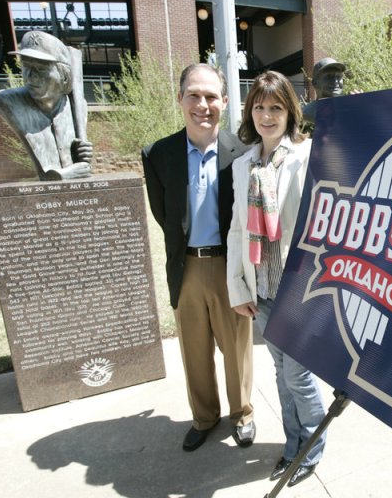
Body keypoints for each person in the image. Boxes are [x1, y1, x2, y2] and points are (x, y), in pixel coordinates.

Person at [141, 64, 255, 452]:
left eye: (211, 96)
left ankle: (243, 414)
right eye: (194, 94)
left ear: (225, 101)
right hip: (186, 266)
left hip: (230, 266)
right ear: (180, 99)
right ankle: (204, 417)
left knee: (237, 347)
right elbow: (164, 215)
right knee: (193, 348)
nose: (202, 104)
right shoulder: (157, 154)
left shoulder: (243, 153)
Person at [226, 71, 327, 487]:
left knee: (297, 376)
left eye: (276, 107)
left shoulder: (307, 157)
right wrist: (238, 287)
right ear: (251, 111)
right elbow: (236, 228)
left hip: (297, 288)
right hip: (262, 289)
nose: (267, 115)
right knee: (280, 372)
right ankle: (292, 447)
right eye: (260, 107)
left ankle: (312, 448)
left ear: (290, 111)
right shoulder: (242, 165)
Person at [0, 31, 93, 180]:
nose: (31, 76)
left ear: (64, 75)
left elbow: (83, 168)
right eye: (26, 67)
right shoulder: (6, 101)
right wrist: (62, 175)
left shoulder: (77, 106)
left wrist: (84, 153)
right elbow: (50, 176)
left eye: (41, 69)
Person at [302, 57, 351, 125]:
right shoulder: (306, 113)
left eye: (339, 76)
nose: (335, 81)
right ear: (315, 83)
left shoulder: (349, 109)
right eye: (329, 76)